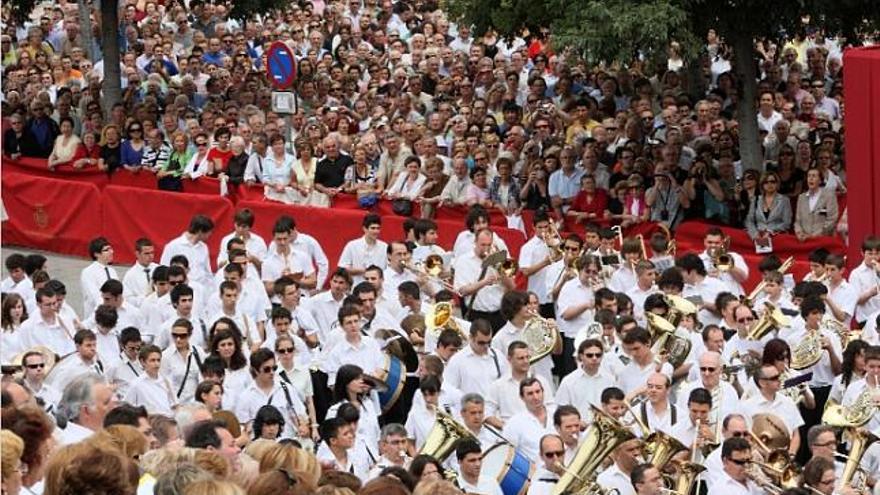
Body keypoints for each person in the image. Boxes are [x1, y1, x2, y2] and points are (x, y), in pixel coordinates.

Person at [444, 319, 509, 397]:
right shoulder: (457, 361)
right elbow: (448, 391)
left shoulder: (498, 356)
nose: (486, 346)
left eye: (489, 342)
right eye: (481, 343)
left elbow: (507, 384)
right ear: (471, 337)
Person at [501, 377, 557, 459]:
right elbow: (507, 454)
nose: (535, 397)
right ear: (522, 397)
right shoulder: (514, 423)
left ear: (543, 392)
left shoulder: (557, 413)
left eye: (538, 392)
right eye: (530, 394)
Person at [56, 373, 117, 445]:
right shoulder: (80, 447)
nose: (114, 407)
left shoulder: (100, 437)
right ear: (86, 411)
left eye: (113, 400)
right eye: (106, 403)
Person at [160, 215, 215, 287]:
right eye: (209, 232)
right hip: (182, 289)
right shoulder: (173, 246)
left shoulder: (204, 247)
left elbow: (208, 272)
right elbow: (164, 269)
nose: (210, 235)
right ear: (200, 231)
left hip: (201, 290)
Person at [125, 344, 177, 415]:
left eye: (158, 360)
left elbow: (174, 404)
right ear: (143, 362)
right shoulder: (136, 384)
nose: (156, 364)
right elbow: (127, 406)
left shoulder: (166, 381)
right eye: (152, 360)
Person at [338, 214, 389, 286]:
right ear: (364, 229)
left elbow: (389, 269)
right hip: (357, 287)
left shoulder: (385, 247)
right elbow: (342, 268)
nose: (376, 231)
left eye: (378, 228)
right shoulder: (352, 245)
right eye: (373, 228)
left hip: (378, 289)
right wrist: (363, 271)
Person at [746, 171, 792, 243]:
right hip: (758, 237)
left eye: (772, 181)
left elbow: (787, 223)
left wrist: (770, 231)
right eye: (766, 182)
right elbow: (749, 220)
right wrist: (755, 235)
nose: (769, 184)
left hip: (777, 237)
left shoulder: (784, 200)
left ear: (777, 183)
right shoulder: (756, 200)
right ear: (762, 185)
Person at [794, 167, 839, 240]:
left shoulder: (829, 196)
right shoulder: (801, 198)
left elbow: (832, 219)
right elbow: (797, 221)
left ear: (820, 180)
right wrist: (799, 233)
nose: (811, 178)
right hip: (804, 240)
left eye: (814, 176)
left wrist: (814, 236)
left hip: (823, 239)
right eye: (809, 176)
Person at [80, 237, 118, 318]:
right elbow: (95, 297)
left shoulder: (112, 271)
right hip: (97, 318)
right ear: (96, 254)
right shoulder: (88, 272)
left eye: (111, 249)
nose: (111, 252)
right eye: (106, 250)